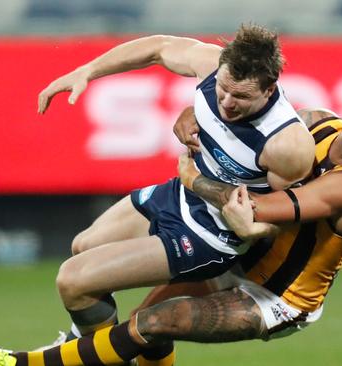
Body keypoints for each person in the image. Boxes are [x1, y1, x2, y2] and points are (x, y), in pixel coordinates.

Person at [0, 94, 342, 366]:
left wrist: (196, 181)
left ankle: (19, 363)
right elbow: (246, 122)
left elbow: (257, 208)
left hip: (278, 298)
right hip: (239, 258)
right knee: (139, 328)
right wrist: (196, 116)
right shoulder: (317, 123)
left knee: (157, 322)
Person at [36, 23, 315, 344]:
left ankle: (84, 354)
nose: (226, 102)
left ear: (269, 89)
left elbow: (290, 216)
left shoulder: (287, 145)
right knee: (82, 247)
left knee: (73, 282)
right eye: (223, 88)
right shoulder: (211, 64)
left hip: (210, 236)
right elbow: (158, 47)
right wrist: (88, 70)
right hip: (179, 195)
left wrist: (258, 230)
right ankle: (86, 348)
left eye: (240, 96)